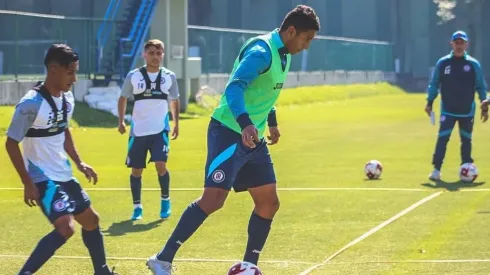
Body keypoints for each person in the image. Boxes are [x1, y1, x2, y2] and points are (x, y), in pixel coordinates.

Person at [146, 5, 320, 274]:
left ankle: (249, 266)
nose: (307, 46)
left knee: (268, 201)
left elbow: (262, 92)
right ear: (292, 31)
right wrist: (245, 124)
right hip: (229, 131)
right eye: (306, 39)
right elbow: (235, 87)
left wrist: (270, 123)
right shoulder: (261, 51)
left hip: (254, 137)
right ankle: (162, 259)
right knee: (213, 200)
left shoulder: (284, 53)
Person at [5, 44, 117, 275]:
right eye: (71, 72)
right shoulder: (30, 104)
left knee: (91, 221)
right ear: (53, 69)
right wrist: (27, 182)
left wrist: (79, 163)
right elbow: (11, 143)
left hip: (64, 174)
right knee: (66, 227)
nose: (75, 78)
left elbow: (64, 131)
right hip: (42, 178)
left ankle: (102, 271)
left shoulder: (67, 99)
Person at [118, 39, 180, 220]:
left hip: (160, 130)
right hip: (138, 131)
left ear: (163, 55)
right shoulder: (134, 76)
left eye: (158, 53)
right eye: (151, 53)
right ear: (144, 54)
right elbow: (122, 98)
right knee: (136, 170)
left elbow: (174, 100)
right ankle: (137, 207)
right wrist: (121, 121)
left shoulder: (169, 76)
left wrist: (176, 123)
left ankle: (165, 201)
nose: (155, 57)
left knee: (161, 166)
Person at [425, 31, 488, 181]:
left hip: (467, 111)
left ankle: (466, 169)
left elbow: (480, 86)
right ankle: (436, 170)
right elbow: (434, 84)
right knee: (442, 139)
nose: (459, 46)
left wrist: (484, 105)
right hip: (448, 109)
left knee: (466, 140)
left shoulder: (473, 64)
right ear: (451, 44)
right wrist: (429, 102)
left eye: (462, 43)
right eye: (456, 42)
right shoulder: (443, 63)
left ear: (466, 44)